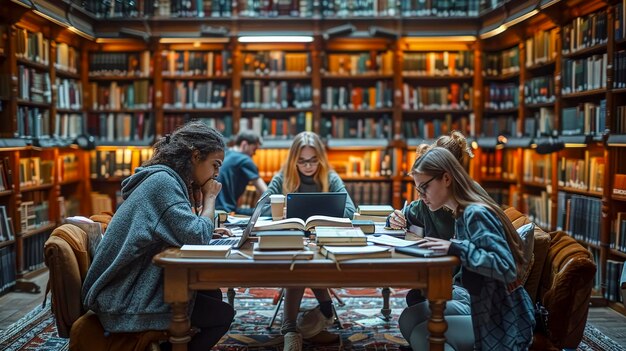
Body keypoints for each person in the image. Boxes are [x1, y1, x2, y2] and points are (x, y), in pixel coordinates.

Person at [82, 121, 235, 351]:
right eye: (215, 165)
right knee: (223, 315)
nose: (216, 174)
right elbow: (197, 237)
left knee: (211, 293)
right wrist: (210, 198)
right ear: (195, 156)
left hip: (129, 286)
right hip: (124, 299)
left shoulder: (165, 179)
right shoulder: (163, 184)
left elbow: (181, 230)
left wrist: (203, 225)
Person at [402, 147, 535, 350]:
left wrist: (456, 248)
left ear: (446, 178)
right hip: (479, 302)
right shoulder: (461, 213)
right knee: (409, 319)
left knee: (422, 334)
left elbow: (505, 267)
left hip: (503, 317)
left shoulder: (475, 213)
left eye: (424, 188)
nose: (421, 196)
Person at [262, 131, 355, 351]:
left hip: (323, 242)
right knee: (300, 261)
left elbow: (350, 210)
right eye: (302, 161)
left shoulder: (330, 177)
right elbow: (263, 208)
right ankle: (323, 309)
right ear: (293, 159)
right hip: (289, 241)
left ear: (321, 158)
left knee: (303, 262)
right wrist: (285, 211)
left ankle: (292, 327)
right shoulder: (282, 177)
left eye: (313, 160)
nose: (308, 166)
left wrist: (319, 215)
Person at [216, 130, 267, 215]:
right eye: (254, 149)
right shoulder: (244, 160)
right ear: (244, 144)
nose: (254, 154)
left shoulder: (224, 154)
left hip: (214, 211)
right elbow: (265, 192)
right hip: (228, 212)